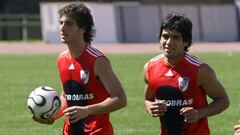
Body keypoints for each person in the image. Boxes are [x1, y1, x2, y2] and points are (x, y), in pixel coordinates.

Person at [33, 2, 127, 135]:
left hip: (97, 132)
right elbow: (67, 97)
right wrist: (52, 116)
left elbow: (120, 99)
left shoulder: (98, 61)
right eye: (61, 23)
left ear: (83, 28)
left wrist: (87, 110)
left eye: (69, 24)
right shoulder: (61, 59)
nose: (62, 28)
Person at [143, 13, 229, 135]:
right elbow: (148, 99)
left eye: (176, 38)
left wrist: (199, 113)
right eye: (165, 36)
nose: (169, 42)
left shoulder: (201, 70)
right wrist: (150, 107)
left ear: (186, 42)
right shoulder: (150, 67)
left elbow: (223, 100)